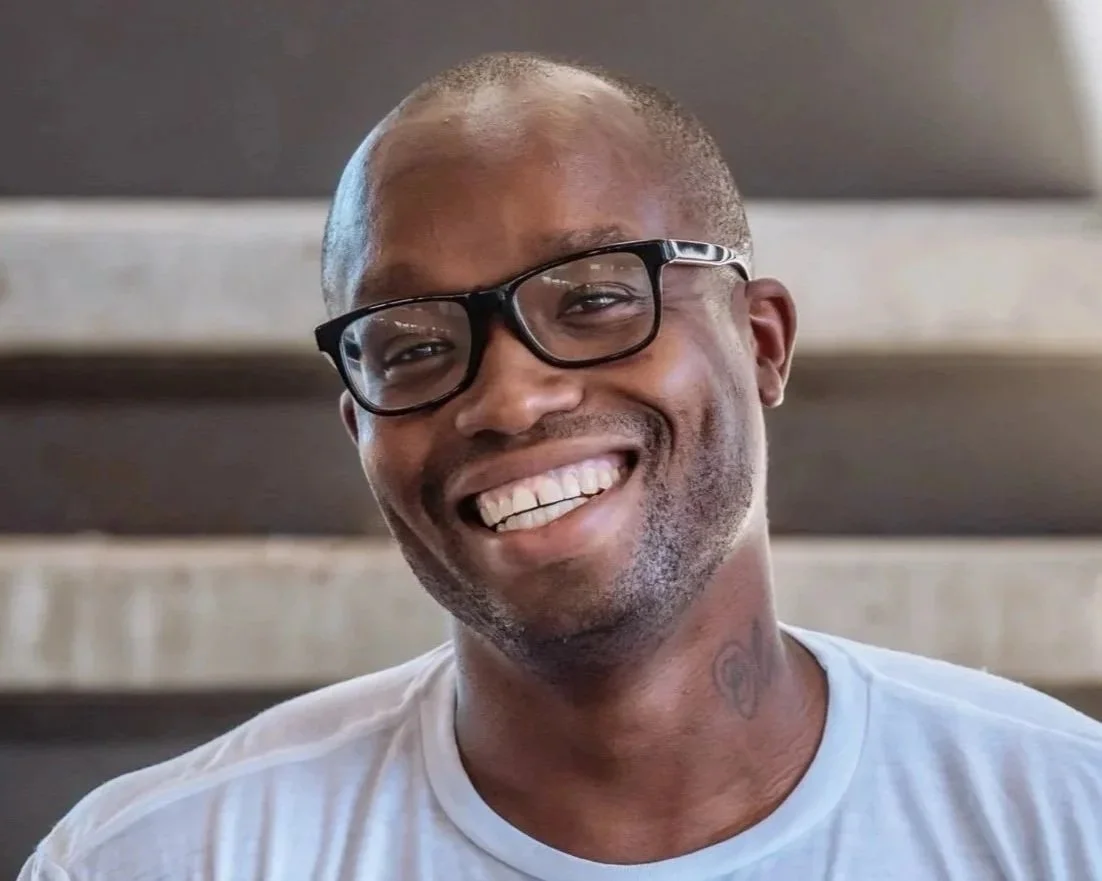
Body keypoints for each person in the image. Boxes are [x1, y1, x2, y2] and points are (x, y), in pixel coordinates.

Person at [20, 51, 1102, 881]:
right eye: (413, 345)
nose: (508, 396)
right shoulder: (168, 857)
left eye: (591, 298)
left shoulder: (1059, 816)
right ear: (358, 423)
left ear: (761, 342)